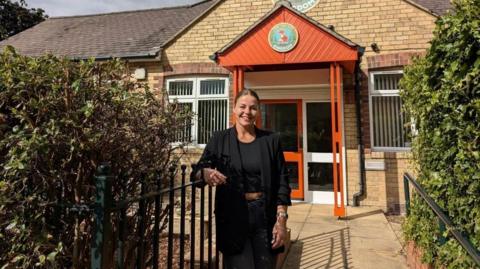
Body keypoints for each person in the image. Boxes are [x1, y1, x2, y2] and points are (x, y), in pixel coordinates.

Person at [193, 89, 291, 269]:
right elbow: (198, 171)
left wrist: (281, 221)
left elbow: (282, 181)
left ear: (258, 111)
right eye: (243, 107)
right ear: (234, 108)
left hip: (264, 215)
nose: (247, 112)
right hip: (232, 216)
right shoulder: (220, 139)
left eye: (253, 108)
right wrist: (205, 173)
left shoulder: (271, 140)